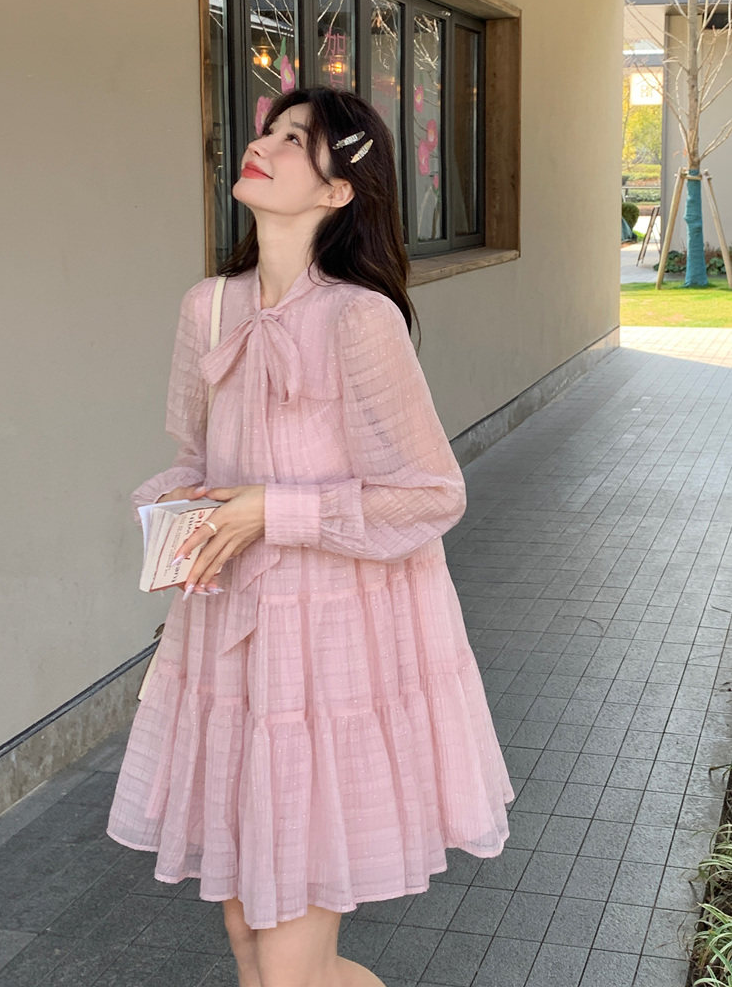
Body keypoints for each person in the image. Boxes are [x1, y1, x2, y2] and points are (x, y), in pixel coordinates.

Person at [108, 87, 513, 987]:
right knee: (253, 947)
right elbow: (194, 457)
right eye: (271, 130)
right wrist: (176, 513)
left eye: (298, 139)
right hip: (232, 641)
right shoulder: (208, 308)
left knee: (288, 965)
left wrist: (271, 511)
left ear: (337, 192)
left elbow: (430, 496)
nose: (268, 144)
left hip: (334, 646)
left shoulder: (358, 318)